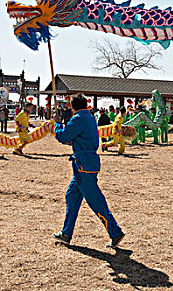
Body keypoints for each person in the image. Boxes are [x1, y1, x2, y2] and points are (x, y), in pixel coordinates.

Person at [52, 94, 124, 248]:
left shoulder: (78, 118)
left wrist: (57, 123)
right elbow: (76, 138)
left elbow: (63, 136)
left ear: (72, 107)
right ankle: (66, 233)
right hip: (85, 164)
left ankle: (115, 232)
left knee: (96, 201)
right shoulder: (90, 117)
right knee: (71, 196)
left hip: (83, 164)